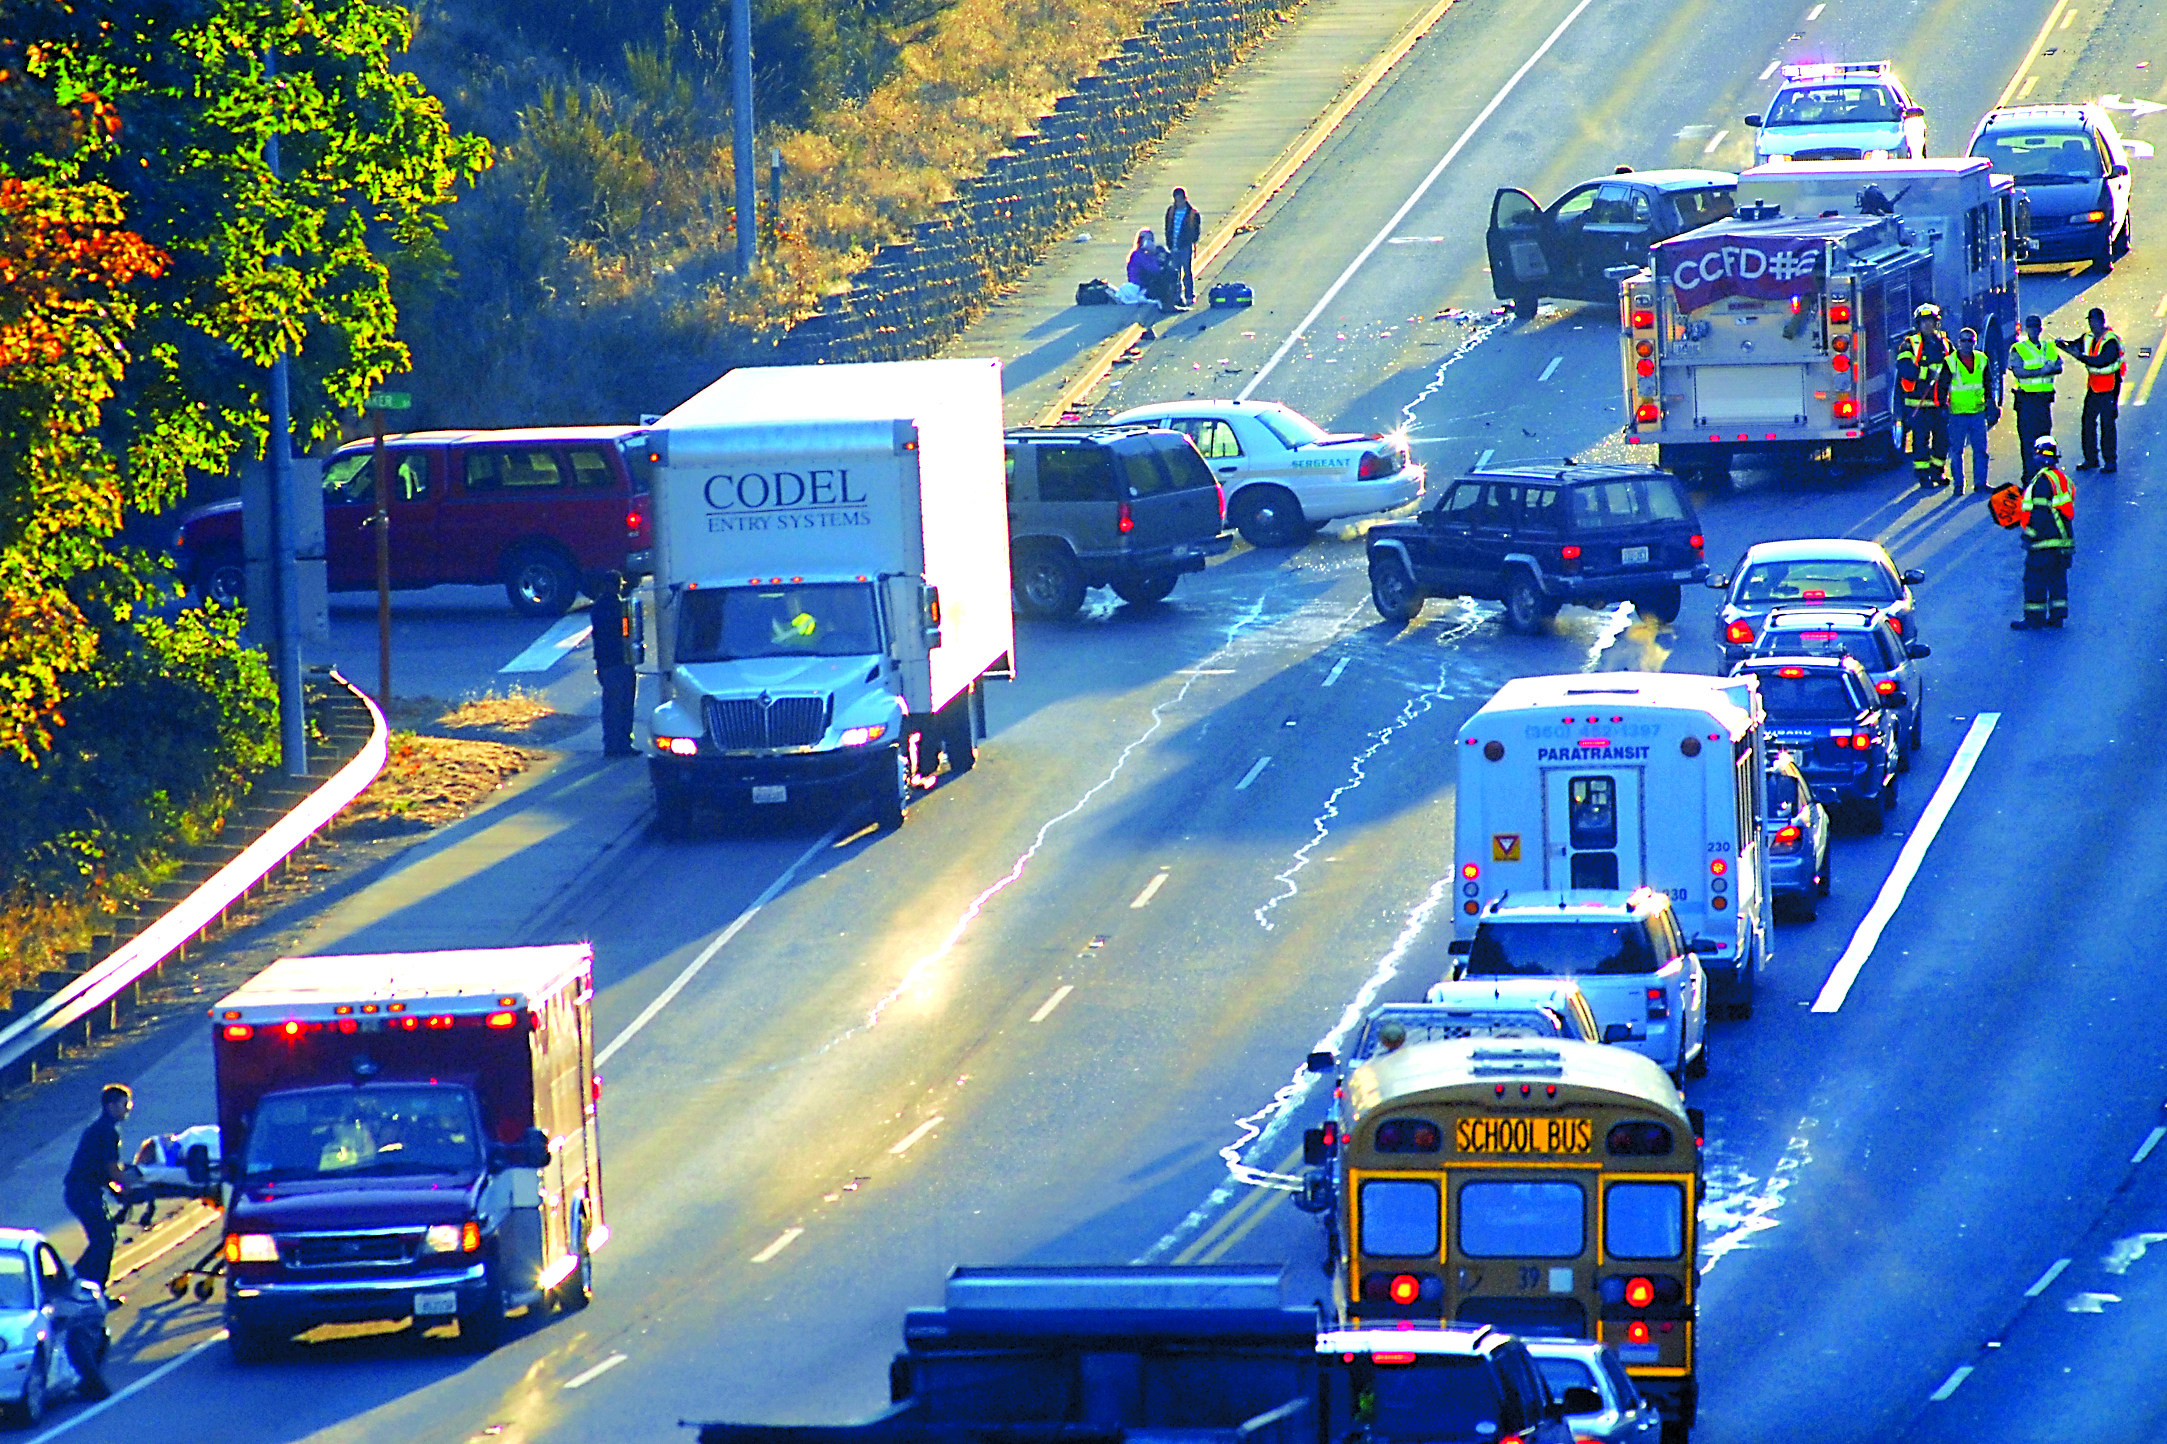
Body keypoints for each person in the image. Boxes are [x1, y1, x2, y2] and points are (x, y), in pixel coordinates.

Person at [63, 1084, 132, 1290]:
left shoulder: (100, 1128)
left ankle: (79, 1282)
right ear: (111, 1106)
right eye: (124, 1104)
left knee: (103, 1238)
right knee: (104, 1240)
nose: (128, 1108)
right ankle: (84, 1285)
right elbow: (112, 1169)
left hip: (83, 1191)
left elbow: (100, 1169)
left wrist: (116, 1189)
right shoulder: (107, 1132)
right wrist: (129, 1186)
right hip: (83, 1192)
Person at [2011, 436, 2074, 630]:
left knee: (2034, 580)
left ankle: (2034, 619)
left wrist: (2028, 535)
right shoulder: (2062, 479)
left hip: (2044, 540)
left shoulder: (2042, 481)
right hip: (2063, 540)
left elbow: (2040, 513)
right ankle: (2057, 617)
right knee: (2057, 579)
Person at [2056, 306, 2124, 472]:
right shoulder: (2088, 337)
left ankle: (2110, 461)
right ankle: (2091, 459)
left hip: (2109, 388)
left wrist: (2080, 357)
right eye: (2090, 321)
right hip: (2094, 387)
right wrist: (2063, 345)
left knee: (2107, 425)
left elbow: (2101, 361)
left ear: (2102, 322)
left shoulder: (2111, 342)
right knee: (2087, 423)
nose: (2092, 325)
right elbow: (2076, 345)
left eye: (2094, 321)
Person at [1896, 302, 1952, 487]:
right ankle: (1923, 476)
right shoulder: (1910, 344)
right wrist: (1927, 374)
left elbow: (1954, 367)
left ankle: (1937, 472)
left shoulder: (1945, 344)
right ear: (1918, 324)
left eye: (1931, 321)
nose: (1927, 325)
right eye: (1924, 321)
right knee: (1921, 441)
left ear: (1937, 323)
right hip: (1918, 403)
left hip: (1940, 403)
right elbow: (1904, 368)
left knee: (1942, 441)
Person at [2007, 313, 2061, 477]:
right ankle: (2029, 476)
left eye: (2036, 327)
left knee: (2044, 441)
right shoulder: (2019, 348)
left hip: (2043, 402)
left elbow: (2059, 367)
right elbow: (2018, 372)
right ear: (2026, 329)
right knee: (2028, 441)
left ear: (2040, 329)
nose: (2033, 330)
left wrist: (2042, 371)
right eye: (2030, 327)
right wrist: (2042, 371)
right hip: (2026, 402)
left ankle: (2044, 474)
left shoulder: (2048, 347)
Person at [590, 571, 637, 758]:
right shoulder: (620, 607)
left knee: (610, 706)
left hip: (605, 662)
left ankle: (611, 743)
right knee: (623, 705)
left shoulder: (597, 608)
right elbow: (627, 632)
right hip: (621, 660)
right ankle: (624, 743)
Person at [1944, 327, 1996, 496]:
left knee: (1980, 450)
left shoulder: (1982, 359)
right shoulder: (1950, 361)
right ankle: (1958, 485)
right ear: (1958, 342)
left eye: (1970, 340)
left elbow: (1988, 384)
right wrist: (1943, 408)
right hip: (1957, 414)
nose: (1967, 344)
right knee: (1956, 451)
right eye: (1963, 340)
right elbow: (1942, 387)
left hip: (1977, 413)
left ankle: (1980, 483)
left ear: (1975, 342)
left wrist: (1991, 404)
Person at [1125, 228, 1181, 339]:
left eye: (1151, 240)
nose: (1149, 242)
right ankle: (1168, 304)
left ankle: (1173, 301)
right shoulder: (1139, 255)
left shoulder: (1147, 254)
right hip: (1140, 286)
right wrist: (1154, 256)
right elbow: (1154, 269)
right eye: (1147, 240)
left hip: (1147, 282)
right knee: (1167, 277)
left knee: (1171, 274)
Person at [1163, 187, 1202, 308]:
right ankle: (1177, 297)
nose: (1178, 202)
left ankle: (1189, 295)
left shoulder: (1192, 213)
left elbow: (1196, 230)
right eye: (1176, 200)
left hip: (1185, 247)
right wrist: (1169, 242)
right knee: (1175, 274)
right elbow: (1167, 227)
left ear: (1185, 199)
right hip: (1173, 246)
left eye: (1180, 200)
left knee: (1187, 271)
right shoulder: (1171, 212)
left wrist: (1192, 241)